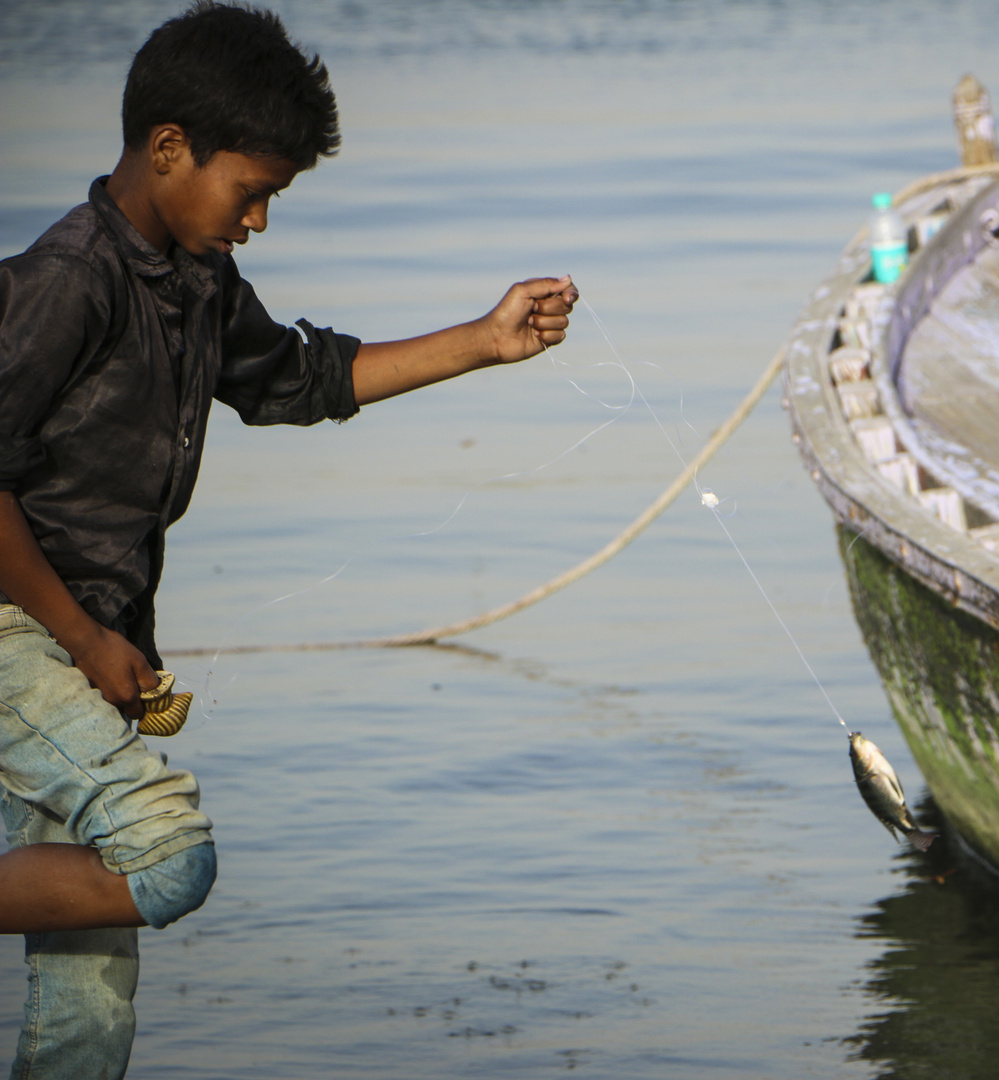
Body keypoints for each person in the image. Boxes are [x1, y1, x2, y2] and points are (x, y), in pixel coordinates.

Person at [0, 3, 578, 1075]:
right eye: (252, 192)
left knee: (88, 996)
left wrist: (484, 344)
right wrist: (83, 639)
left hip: (88, 635)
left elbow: (302, 381)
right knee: (167, 855)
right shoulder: (69, 281)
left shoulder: (200, 281)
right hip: (22, 626)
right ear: (168, 149)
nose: (259, 219)